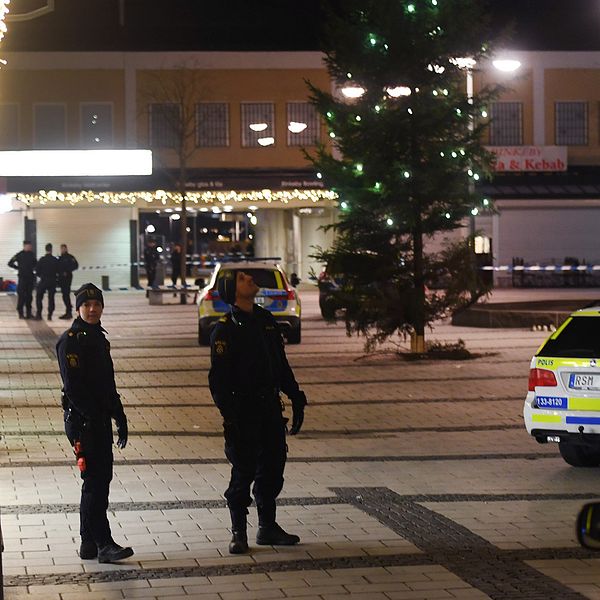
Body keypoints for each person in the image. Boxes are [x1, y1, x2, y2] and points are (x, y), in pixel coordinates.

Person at [209, 269, 307, 554]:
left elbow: (280, 363)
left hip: (269, 408)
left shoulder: (265, 320)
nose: (249, 279)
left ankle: (268, 527)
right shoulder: (225, 329)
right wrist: (229, 414)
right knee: (243, 470)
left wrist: (296, 395)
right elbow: (218, 378)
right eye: (242, 279)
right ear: (231, 290)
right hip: (243, 410)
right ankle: (238, 532)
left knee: (273, 469)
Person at [56, 283, 133, 564]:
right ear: (78, 308)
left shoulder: (98, 338)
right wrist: (92, 419)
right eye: (86, 305)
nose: (92, 309)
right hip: (83, 422)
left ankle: (88, 542)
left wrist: (119, 415)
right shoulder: (71, 340)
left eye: (96, 304)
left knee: (97, 481)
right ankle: (103, 543)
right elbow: (74, 388)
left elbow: (106, 384)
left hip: (98, 419)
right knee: (96, 482)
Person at [7, 240, 37, 319]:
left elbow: (36, 264)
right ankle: (21, 313)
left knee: (29, 297)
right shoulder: (19, 255)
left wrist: (34, 271)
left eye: (30, 246)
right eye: (28, 246)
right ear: (25, 246)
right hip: (22, 279)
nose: (30, 247)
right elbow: (10, 263)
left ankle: (29, 313)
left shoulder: (32, 254)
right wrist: (17, 268)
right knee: (21, 297)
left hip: (30, 279)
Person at [34, 243, 59, 320]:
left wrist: (41, 276)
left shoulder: (42, 259)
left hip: (43, 280)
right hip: (52, 281)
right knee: (51, 298)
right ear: (51, 250)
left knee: (39, 297)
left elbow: (37, 271)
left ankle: (39, 314)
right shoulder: (55, 260)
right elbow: (58, 271)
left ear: (46, 249)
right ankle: (49, 315)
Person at [57, 244, 79, 319]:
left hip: (67, 278)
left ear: (66, 249)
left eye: (64, 248)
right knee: (64, 295)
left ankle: (69, 312)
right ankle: (68, 311)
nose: (62, 250)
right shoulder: (59, 258)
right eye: (61, 249)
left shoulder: (70, 257)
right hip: (61, 279)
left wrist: (68, 271)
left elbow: (76, 265)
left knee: (66, 294)